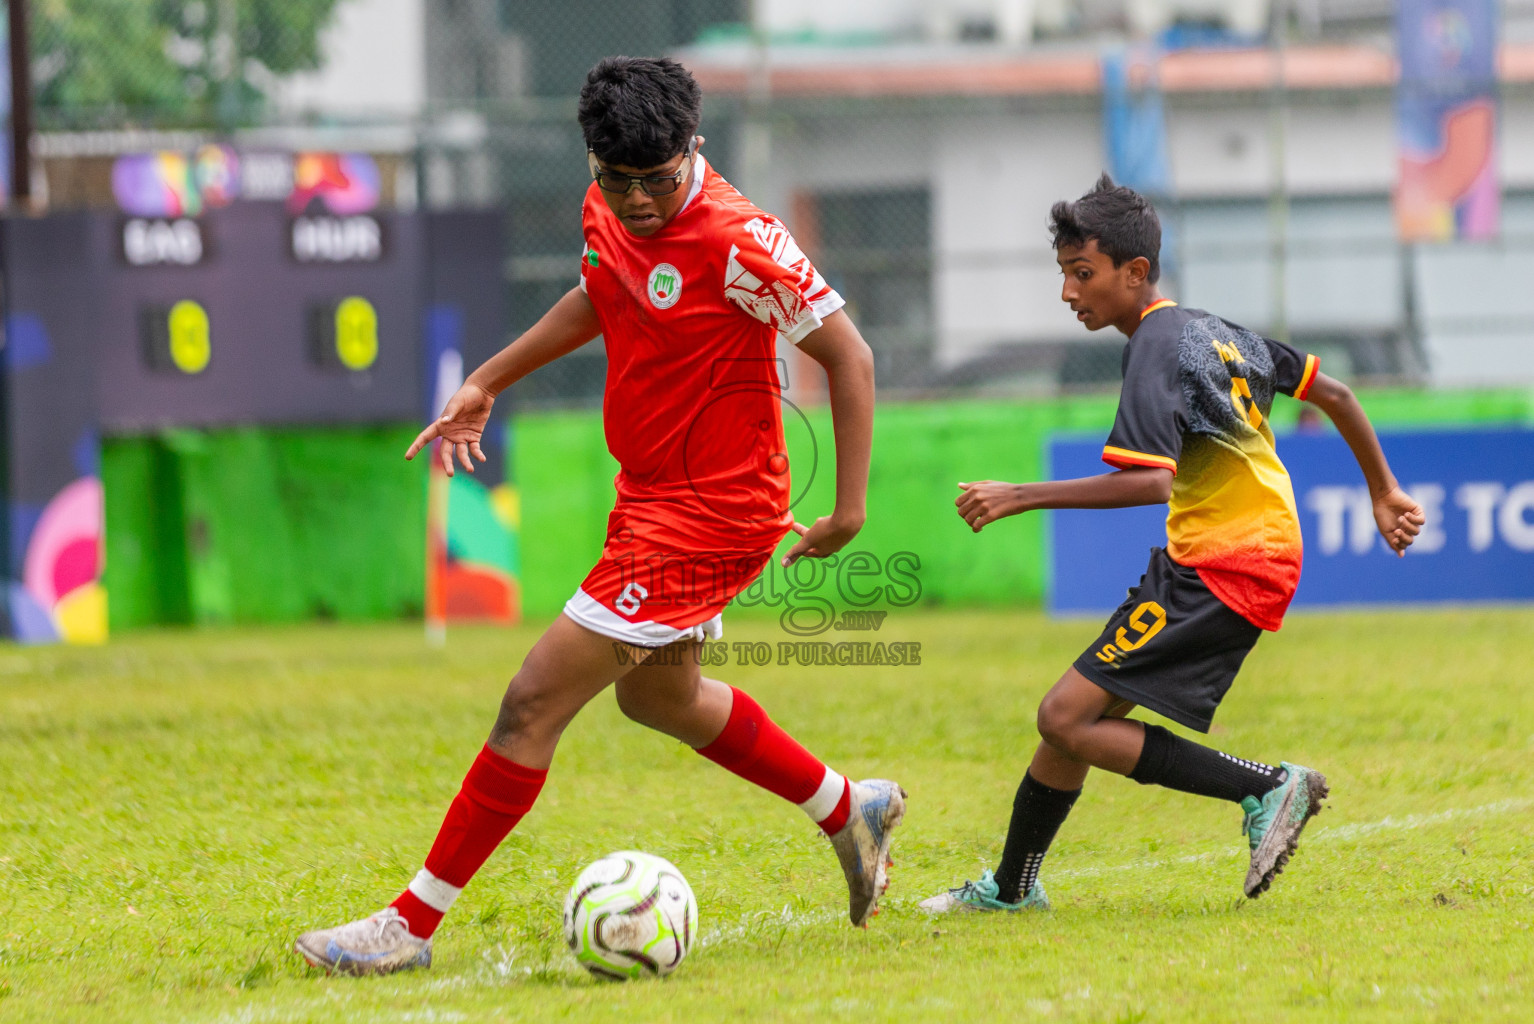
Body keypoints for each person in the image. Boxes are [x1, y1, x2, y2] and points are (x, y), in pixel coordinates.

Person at [295, 56, 904, 975]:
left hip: (712, 512)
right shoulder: (606, 204)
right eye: (619, 182)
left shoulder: (743, 241)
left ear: (690, 150)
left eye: (658, 182)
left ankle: (408, 928)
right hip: (650, 494)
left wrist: (849, 505)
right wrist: (487, 379)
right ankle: (844, 805)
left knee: (532, 701)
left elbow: (849, 357)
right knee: (656, 695)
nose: (641, 204)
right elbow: (600, 295)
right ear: (594, 163)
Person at [921, 174, 1424, 913]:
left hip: (1228, 560)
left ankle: (1264, 786)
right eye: (1063, 274)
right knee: (1075, 721)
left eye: (1082, 274)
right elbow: (1336, 393)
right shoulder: (1219, 330)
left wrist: (1020, 495)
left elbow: (1149, 483)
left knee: (1063, 717)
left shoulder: (1155, 344)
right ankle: (1011, 887)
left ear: (1137, 272)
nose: (1068, 293)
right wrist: (1383, 489)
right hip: (1231, 554)